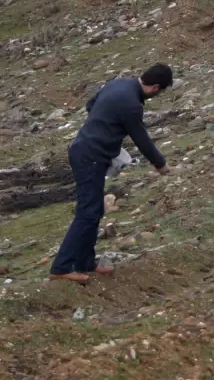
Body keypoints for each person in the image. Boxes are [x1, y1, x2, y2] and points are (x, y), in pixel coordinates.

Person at [49, 63, 174, 285]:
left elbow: (90, 105)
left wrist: (106, 128)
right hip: (91, 157)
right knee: (87, 212)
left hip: (83, 149)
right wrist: (160, 165)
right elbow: (141, 138)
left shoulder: (119, 83)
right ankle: (62, 266)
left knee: (95, 210)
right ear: (155, 87)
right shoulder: (132, 105)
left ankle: (86, 261)